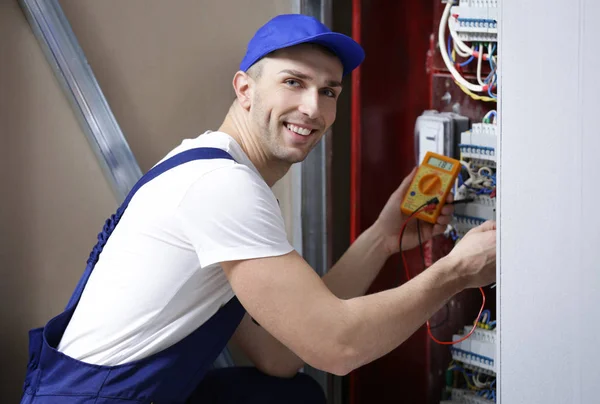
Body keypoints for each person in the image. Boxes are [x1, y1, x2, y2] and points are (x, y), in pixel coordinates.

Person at [20, 14, 496, 404]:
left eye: (329, 91)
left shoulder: (219, 168)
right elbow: (337, 346)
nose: (313, 108)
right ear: (245, 89)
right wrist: (454, 272)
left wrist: (382, 235)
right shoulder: (223, 188)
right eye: (294, 82)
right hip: (94, 399)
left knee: (288, 396)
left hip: (113, 392)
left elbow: (278, 354)